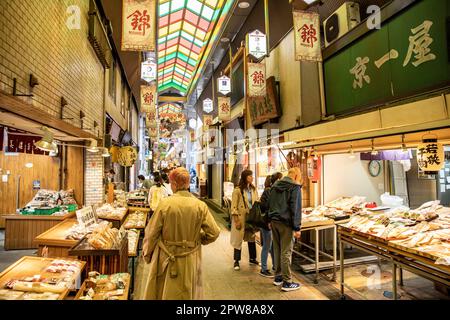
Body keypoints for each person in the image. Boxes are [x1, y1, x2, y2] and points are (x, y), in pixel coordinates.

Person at [138, 167, 221, 299]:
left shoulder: (165, 204)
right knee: (189, 292)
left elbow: (151, 233)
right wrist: (197, 239)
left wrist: (147, 255)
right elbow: (214, 232)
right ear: (187, 184)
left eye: (171, 183)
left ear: (174, 184)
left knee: (166, 292)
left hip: (167, 256)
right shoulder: (200, 205)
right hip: (191, 257)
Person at [268, 167, 302, 292]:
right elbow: (295, 208)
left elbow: (269, 203)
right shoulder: (294, 187)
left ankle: (278, 277)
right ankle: (287, 282)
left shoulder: (275, 185)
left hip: (274, 221)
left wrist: (269, 219)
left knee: (277, 249)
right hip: (286, 223)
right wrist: (297, 227)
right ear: (297, 176)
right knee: (286, 252)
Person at [230, 169, 259, 271]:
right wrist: (236, 220)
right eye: (250, 176)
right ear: (245, 177)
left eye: (252, 175)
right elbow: (233, 207)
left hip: (251, 218)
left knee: (251, 238)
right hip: (241, 218)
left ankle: (253, 258)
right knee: (238, 240)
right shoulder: (237, 190)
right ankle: (236, 261)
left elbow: (257, 203)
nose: (252, 177)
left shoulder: (253, 189)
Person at [259, 172, 283, 278]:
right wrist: (269, 221)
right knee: (267, 245)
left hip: (269, 222)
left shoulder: (271, 191)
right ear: (277, 180)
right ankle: (263, 269)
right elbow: (268, 207)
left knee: (273, 245)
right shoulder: (269, 191)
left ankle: (274, 266)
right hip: (266, 223)